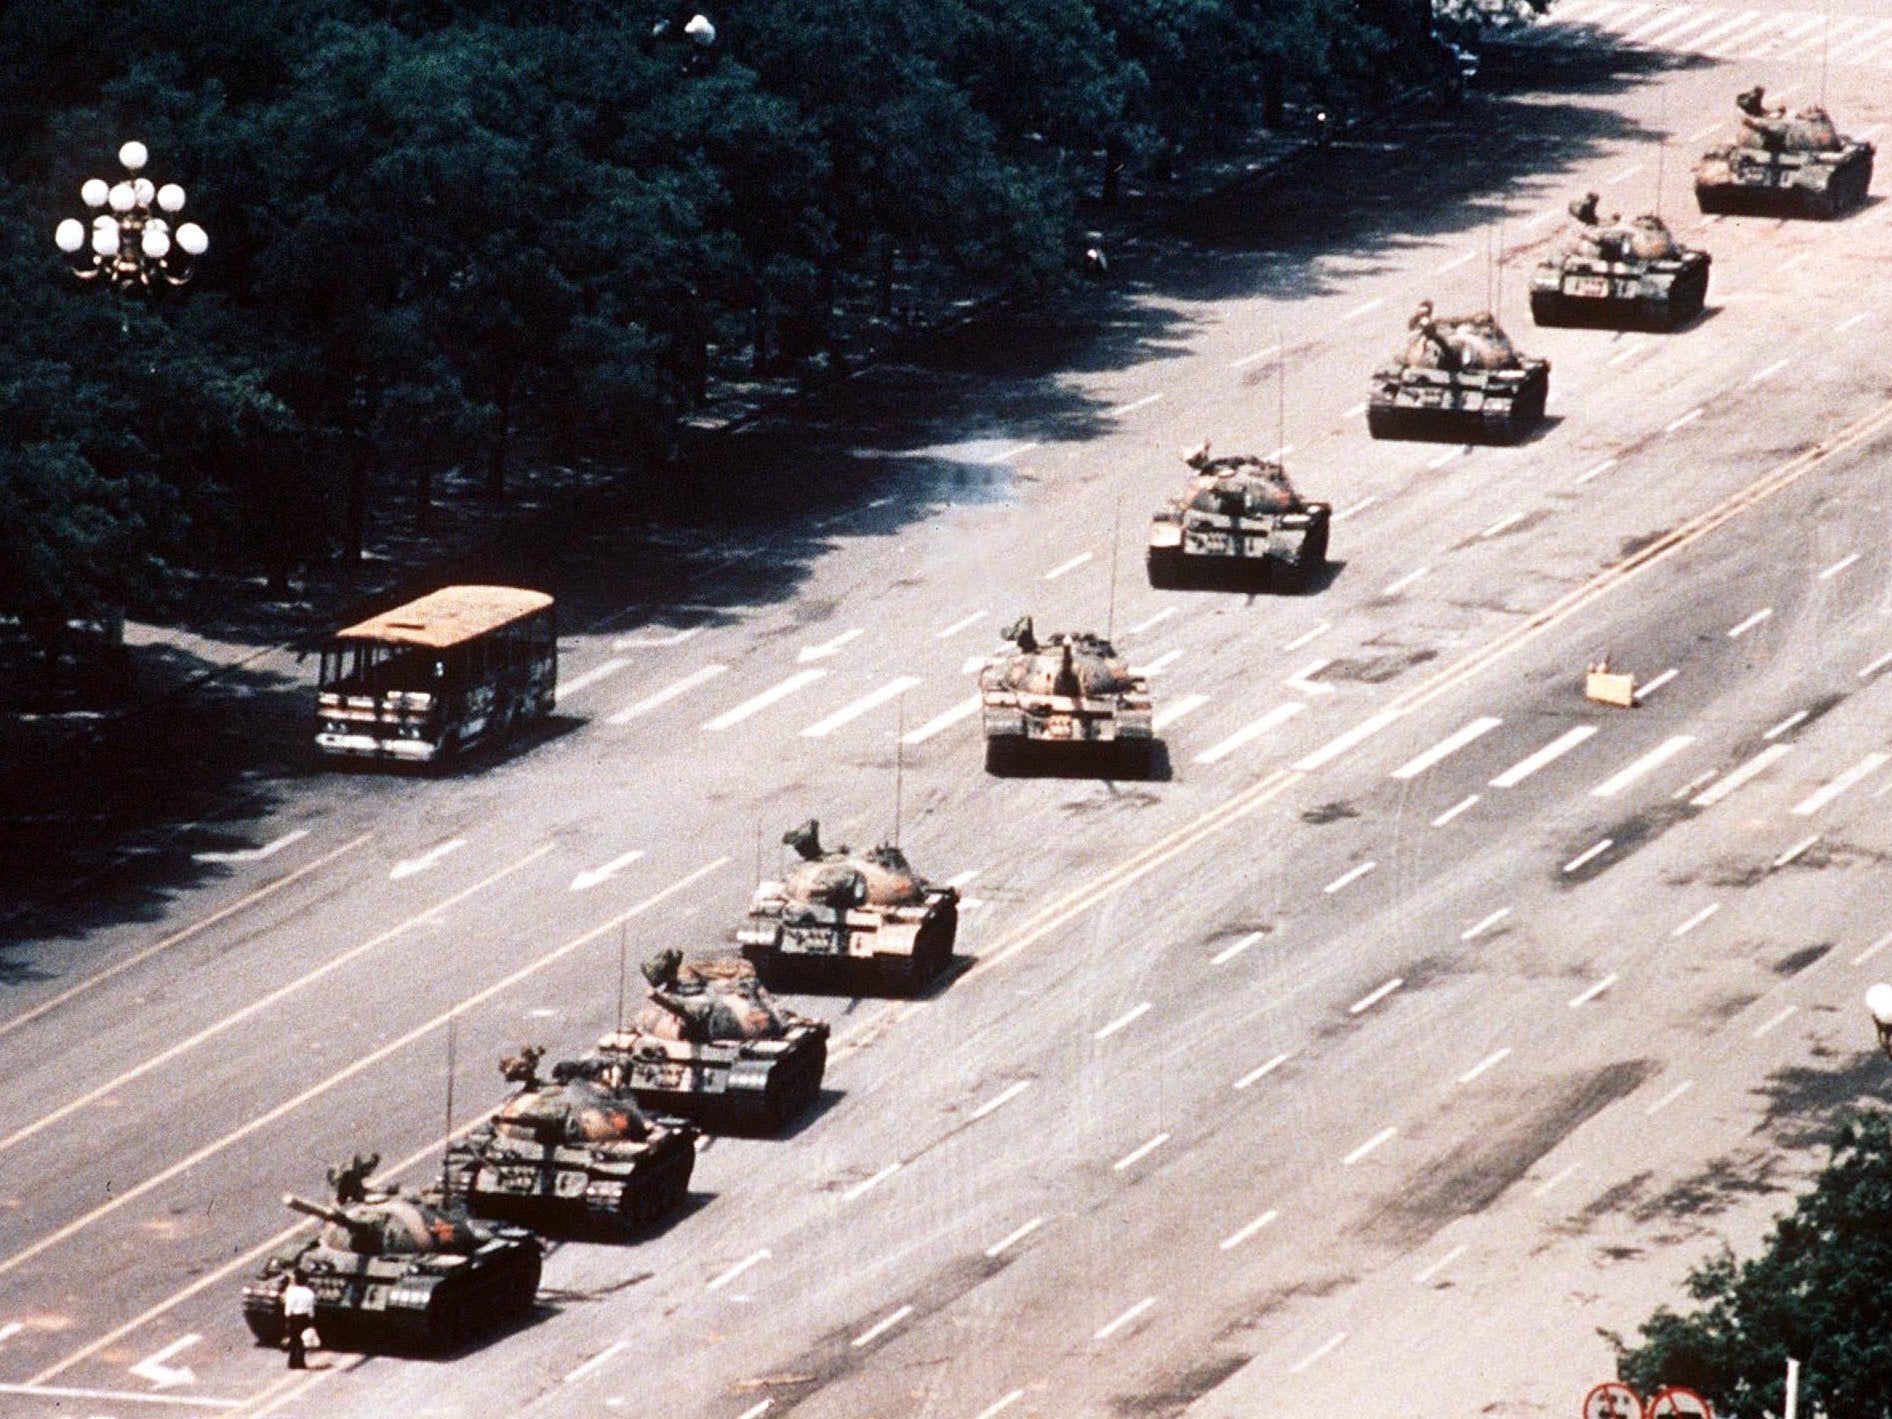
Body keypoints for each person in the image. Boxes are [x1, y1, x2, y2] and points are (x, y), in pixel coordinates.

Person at [281, 1275, 317, 1369]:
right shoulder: (310, 1292)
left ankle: (292, 1362)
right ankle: (301, 1362)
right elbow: (311, 1309)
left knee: (294, 1339)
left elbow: (289, 1307)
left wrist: (287, 1318)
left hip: (294, 1317)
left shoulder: (292, 1292)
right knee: (303, 1340)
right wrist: (311, 1321)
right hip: (305, 1317)